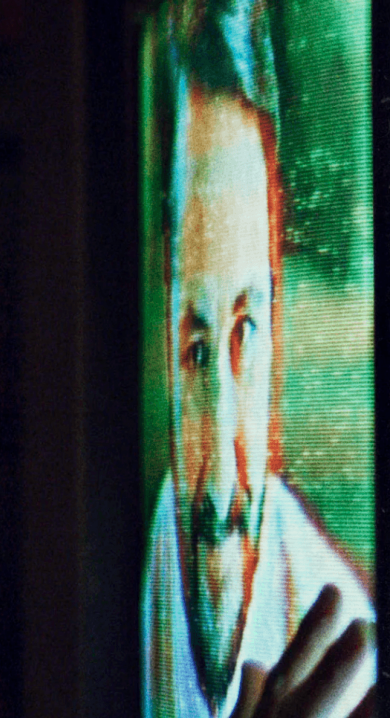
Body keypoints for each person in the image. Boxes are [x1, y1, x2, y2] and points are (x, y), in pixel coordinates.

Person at [141, 1, 375, 717]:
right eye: (194, 351)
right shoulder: (110, 573)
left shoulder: (334, 617)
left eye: (247, 331)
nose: (222, 490)